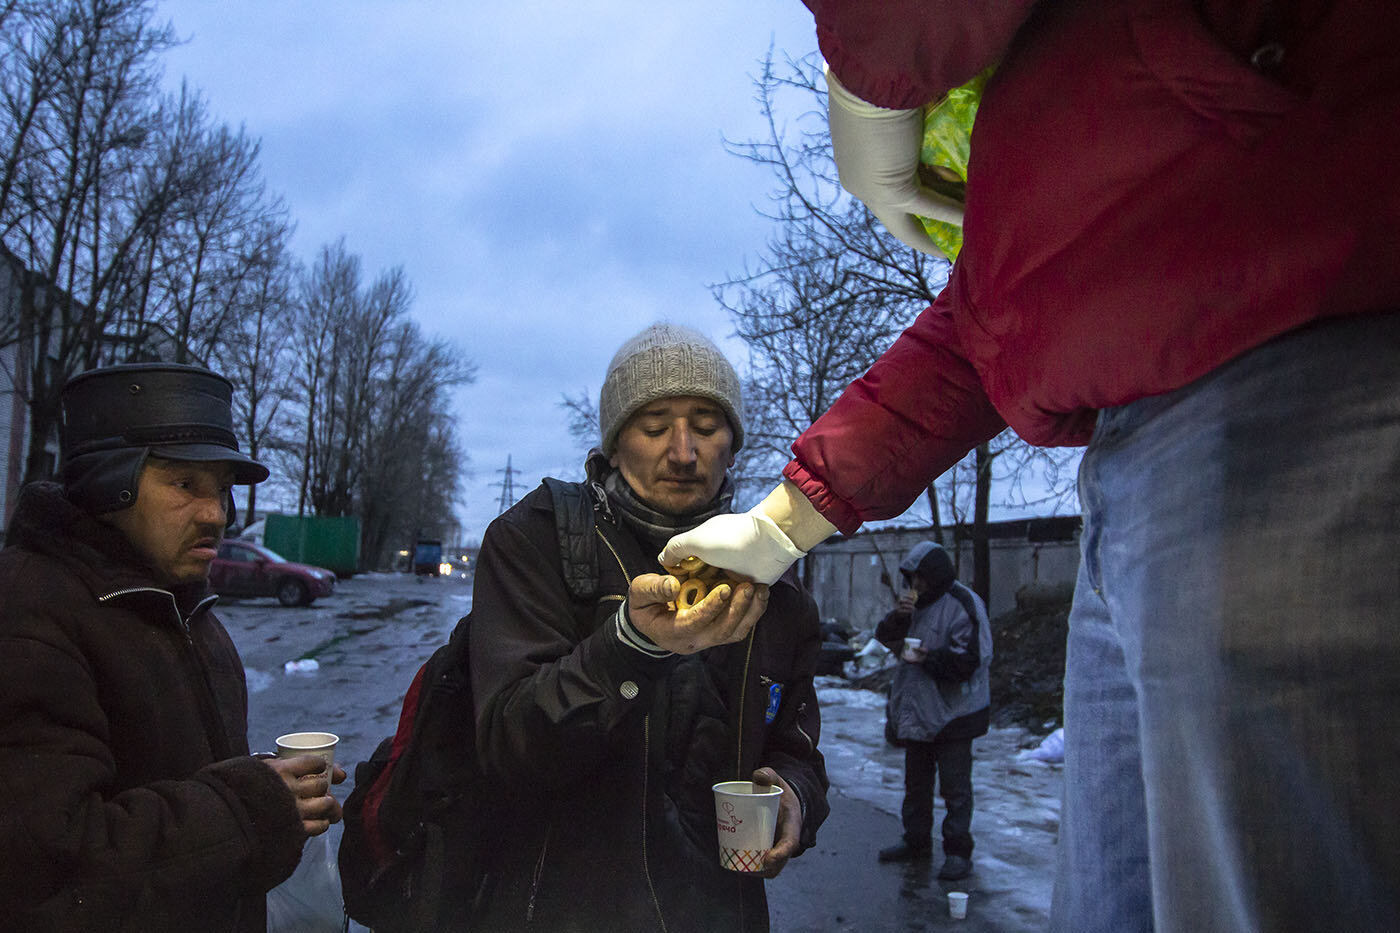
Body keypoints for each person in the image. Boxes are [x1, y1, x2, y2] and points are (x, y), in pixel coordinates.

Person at [662, 2, 1400, 930]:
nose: (680, 449)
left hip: (1297, 373)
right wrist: (779, 523)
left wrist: (863, 90)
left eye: (700, 422)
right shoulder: (1066, 151)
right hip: (1125, 476)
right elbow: (992, 320)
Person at [468, 323, 829, 932]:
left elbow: (797, 744)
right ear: (614, 445)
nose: (683, 452)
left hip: (721, 912)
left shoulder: (774, 582)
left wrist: (794, 794)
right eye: (655, 426)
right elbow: (509, 745)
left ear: (733, 445)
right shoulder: (536, 541)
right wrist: (630, 647)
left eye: (707, 427)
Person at [0, 363, 344, 932]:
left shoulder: (184, 608)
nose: (216, 514)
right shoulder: (29, 614)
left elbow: (173, 776)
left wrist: (267, 784)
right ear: (110, 483)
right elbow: (45, 872)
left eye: (223, 491)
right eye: (185, 485)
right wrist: (248, 809)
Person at [873, 542, 990, 882]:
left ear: (935, 576)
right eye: (911, 579)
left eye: (921, 579)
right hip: (919, 711)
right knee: (916, 785)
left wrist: (929, 658)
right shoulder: (915, 607)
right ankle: (916, 841)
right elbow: (884, 636)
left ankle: (957, 852)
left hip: (955, 712)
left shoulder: (962, 603)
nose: (915, 586)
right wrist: (898, 617)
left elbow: (971, 661)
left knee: (955, 789)